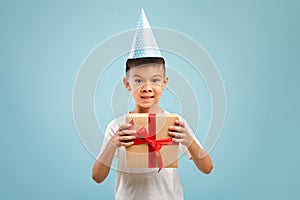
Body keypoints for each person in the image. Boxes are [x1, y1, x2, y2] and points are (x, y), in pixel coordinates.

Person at [92, 9, 213, 200]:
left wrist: (188, 140)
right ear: (127, 83)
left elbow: (207, 168)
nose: (147, 88)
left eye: (155, 80)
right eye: (138, 81)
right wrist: (113, 143)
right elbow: (97, 176)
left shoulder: (176, 124)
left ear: (164, 83)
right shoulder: (117, 127)